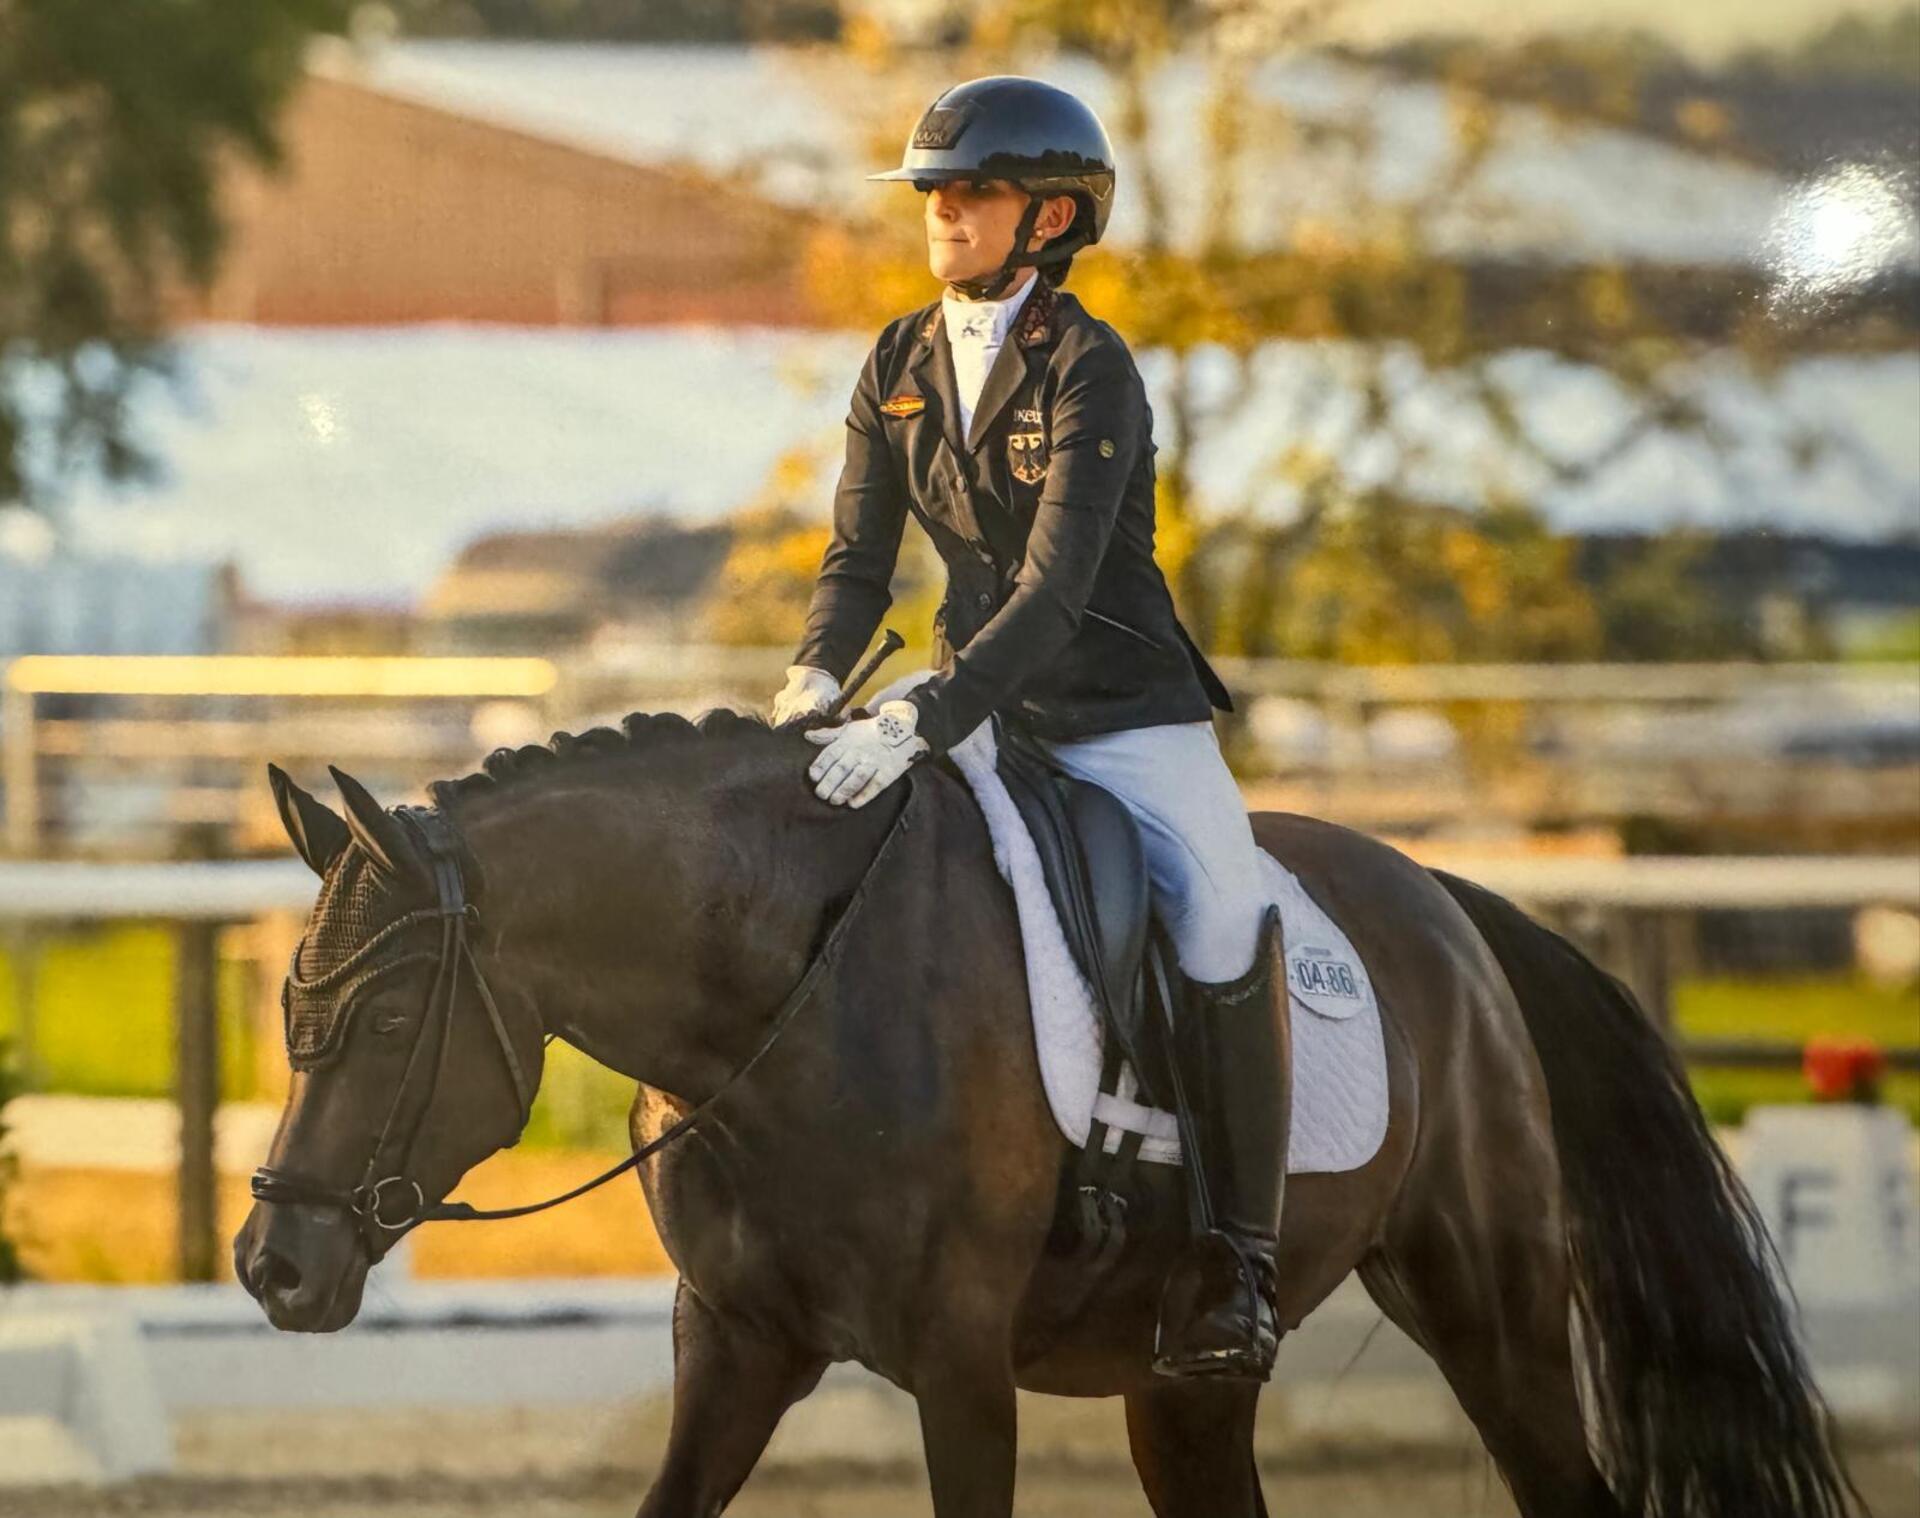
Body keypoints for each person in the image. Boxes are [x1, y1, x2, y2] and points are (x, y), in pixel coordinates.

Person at [769, 75, 1289, 1381]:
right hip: (975, 716)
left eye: (974, 191)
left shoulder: (1092, 368)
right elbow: (858, 555)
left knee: (1225, 911)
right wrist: (814, 674)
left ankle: (1240, 1259)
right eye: (934, 193)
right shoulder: (893, 364)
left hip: (1121, 720)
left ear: (1050, 215)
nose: (943, 213)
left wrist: (923, 717)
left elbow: (1057, 594)